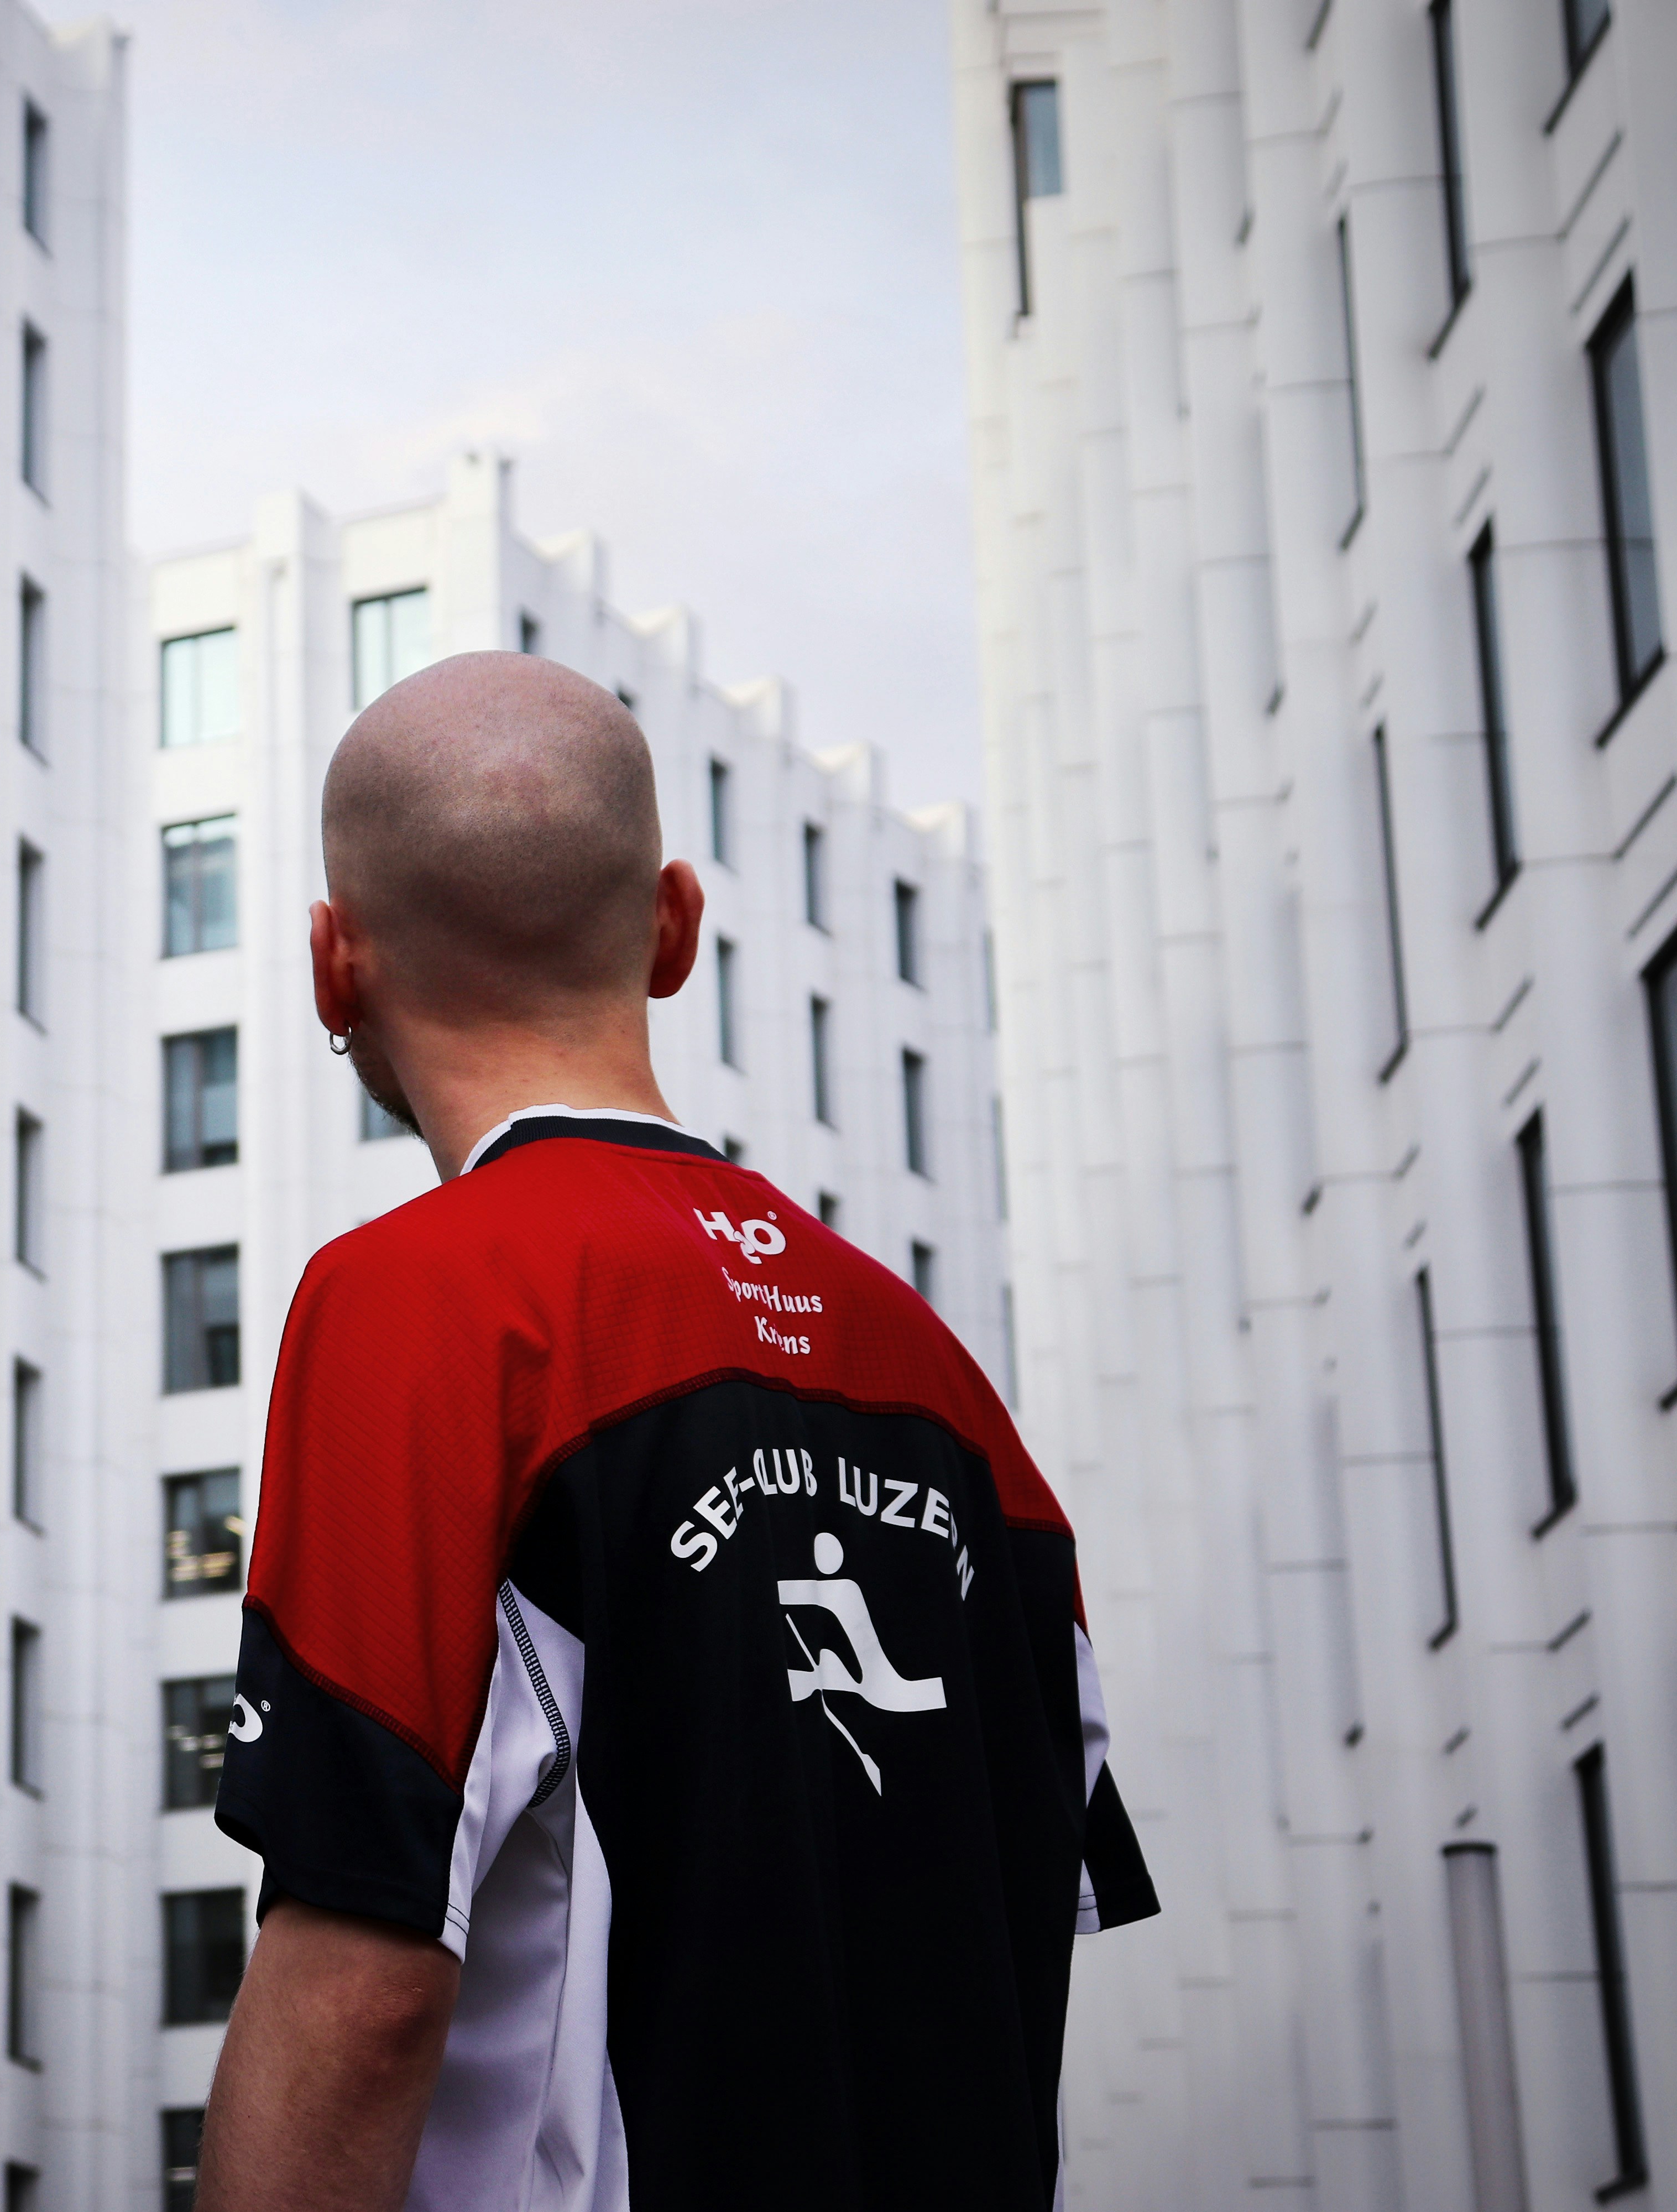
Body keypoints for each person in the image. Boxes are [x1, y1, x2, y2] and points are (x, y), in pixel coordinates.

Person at [198, 654, 1153, 2212]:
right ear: (678, 929)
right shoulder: (952, 1387)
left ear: (332, 963)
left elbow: (362, 1992)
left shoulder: (419, 1305)